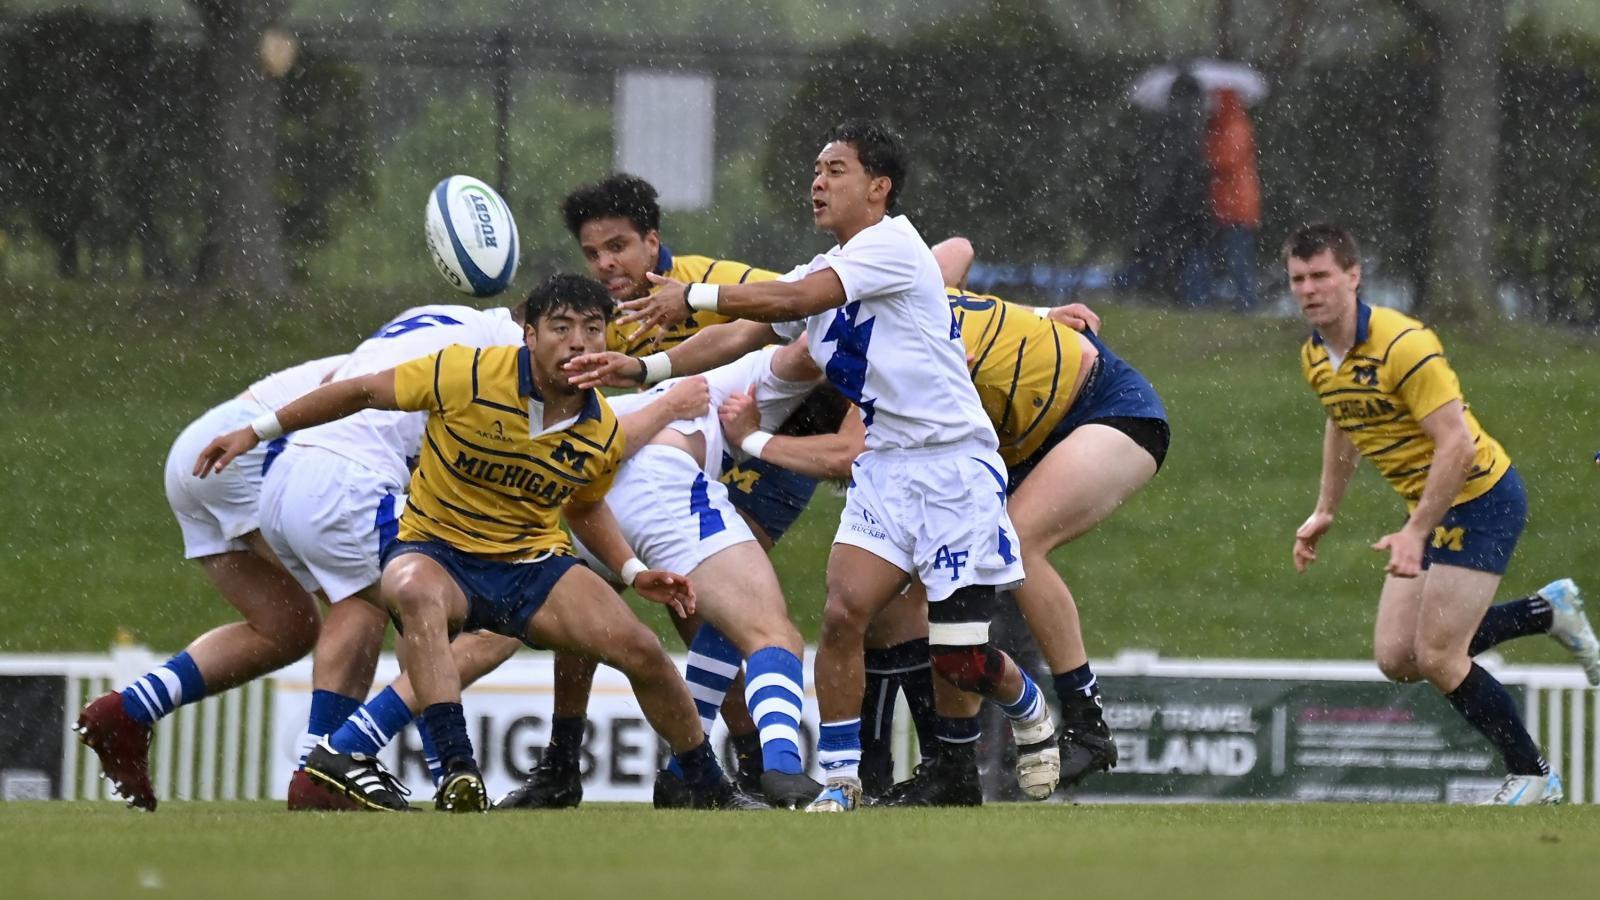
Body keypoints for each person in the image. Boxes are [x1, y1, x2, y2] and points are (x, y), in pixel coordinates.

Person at [597, 119, 1058, 813]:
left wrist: (689, 295)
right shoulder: (823, 270)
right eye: (816, 170)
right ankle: (843, 780)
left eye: (835, 169)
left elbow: (792, 302)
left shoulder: (890, 245)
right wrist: (644, 368)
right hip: (885, 470)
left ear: (879, 188)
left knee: (959, 659)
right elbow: (741, 333)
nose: (817, 181)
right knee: (843, 615)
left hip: (953, 469)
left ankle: (1027, 704)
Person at [196, 274, 763, 812]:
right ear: (529, 335)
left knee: (642, 651)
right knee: (412, 589)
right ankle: (457, 771)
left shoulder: (600, 429)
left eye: (593, 329)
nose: (578, 342)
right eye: (561, 327)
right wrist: (257, 430)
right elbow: (364, 390)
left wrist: (635, 571)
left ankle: (708, 784)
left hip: (530, 564)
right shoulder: (466, 371)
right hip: (438, 552)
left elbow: (584, 506)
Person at [717, 285, 1167, 804]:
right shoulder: (872, 299)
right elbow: (949, 263)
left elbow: (846, 452)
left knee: (1022, 540)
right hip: (1000, 438)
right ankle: (946, 767)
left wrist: (751, 437)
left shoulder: (875, 319)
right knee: (903, 609)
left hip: (1102, 406)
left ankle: (1087, 724)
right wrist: (1036, 312)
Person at [1286, 224, 1600, 806]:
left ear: (1353, 276)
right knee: (1398, 658)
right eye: (1298, 279)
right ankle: (1545, 611)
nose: (1309, 289)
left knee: (1436, 654)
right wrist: (1326, 508)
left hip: (1482, 499)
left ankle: (1534, 775)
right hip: (1430, 507)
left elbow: (1458, 446)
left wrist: (1415, 531)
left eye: (1321, 275)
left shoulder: (1404, 344)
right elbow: (1342, 421)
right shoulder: (1315, 357)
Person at [253, 301, 529, 802]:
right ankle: (344, 753)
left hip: (285, 480)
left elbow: (346, 381)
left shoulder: (439, 315)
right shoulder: (511, 352)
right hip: (347, 484)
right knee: (501, 616)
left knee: (388, 609)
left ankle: (323, 775)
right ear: (533, 330)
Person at [74, 354, 346, 812]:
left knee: (287, 626)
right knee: (360, 600)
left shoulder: (441, 349)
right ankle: (322, 774)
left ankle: (126, 711)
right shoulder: (459, 362)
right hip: (248, 454)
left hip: (207, 447)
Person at [1205, 88, 1261, 311]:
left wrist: (1207, 148)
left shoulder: (1234, 126)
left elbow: (1226, 159)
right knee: (1234, 254)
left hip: (1236, 204)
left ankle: (1247, 301)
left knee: (1238, 256)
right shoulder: (1228, 125)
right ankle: (1244, 300)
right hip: (1231, 202)